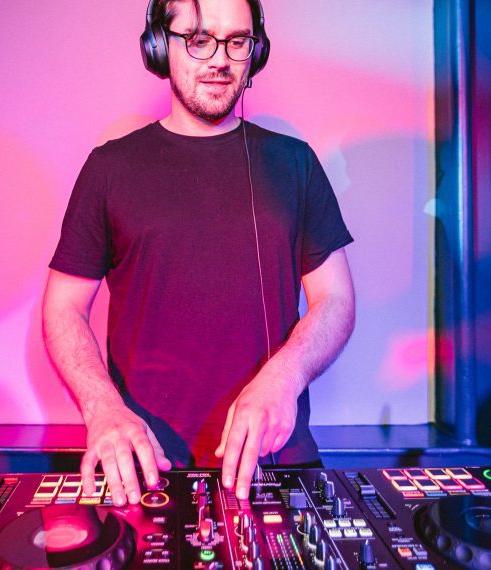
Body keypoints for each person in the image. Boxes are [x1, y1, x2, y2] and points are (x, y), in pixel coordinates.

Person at [42, 0, 355, 509]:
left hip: (277, 462)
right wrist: (102, 408)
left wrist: (285, 375)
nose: (220, 59)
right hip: (144, 468)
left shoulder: (293, 163)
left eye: (237, 41)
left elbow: (335, 300)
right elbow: (62, 307)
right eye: (198, 38)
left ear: (257, 50)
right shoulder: (109, 168)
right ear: (159, 44)